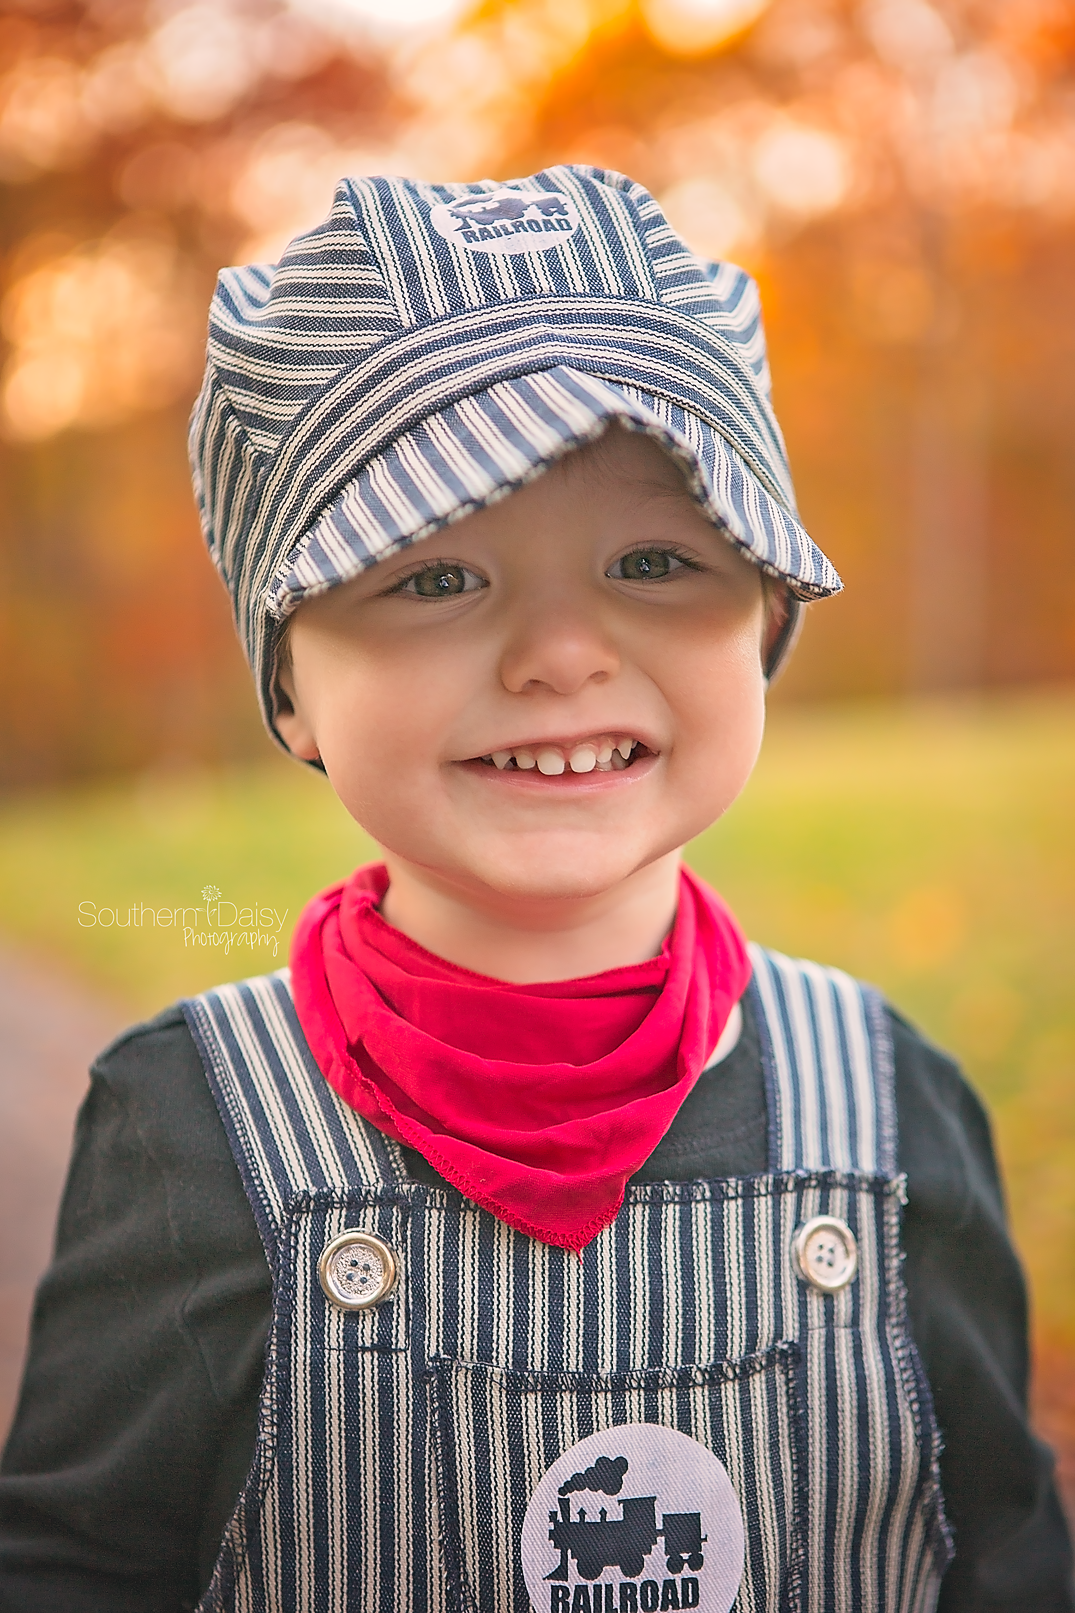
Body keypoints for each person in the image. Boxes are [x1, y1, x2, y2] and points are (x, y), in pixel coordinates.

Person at [0, 166, 1070, 1613]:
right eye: (433, 577)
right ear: (291, 683)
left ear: (762, 620)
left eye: (650, 558)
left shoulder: (889, 1101)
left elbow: (996, 1551)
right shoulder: (186, 1126)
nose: (559, 653)